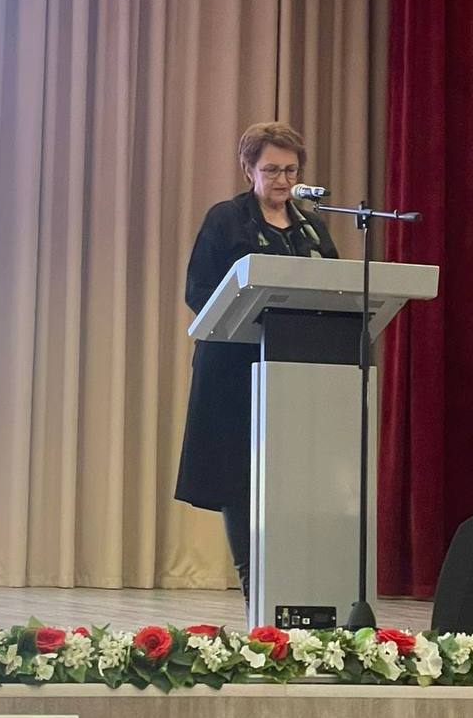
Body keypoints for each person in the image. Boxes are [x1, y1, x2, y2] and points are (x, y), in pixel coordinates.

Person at [174, 121, 339, 605]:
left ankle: (299, 586)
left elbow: (333, 288)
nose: (283, 180)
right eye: (272, 170)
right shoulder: (227, 219)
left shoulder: (311, 226)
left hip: (298, 370)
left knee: (296, 478)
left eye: (291, 170)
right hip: (235, 372)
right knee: (240, 480)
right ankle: (256, 592)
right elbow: (198, 291)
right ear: (249, 170)